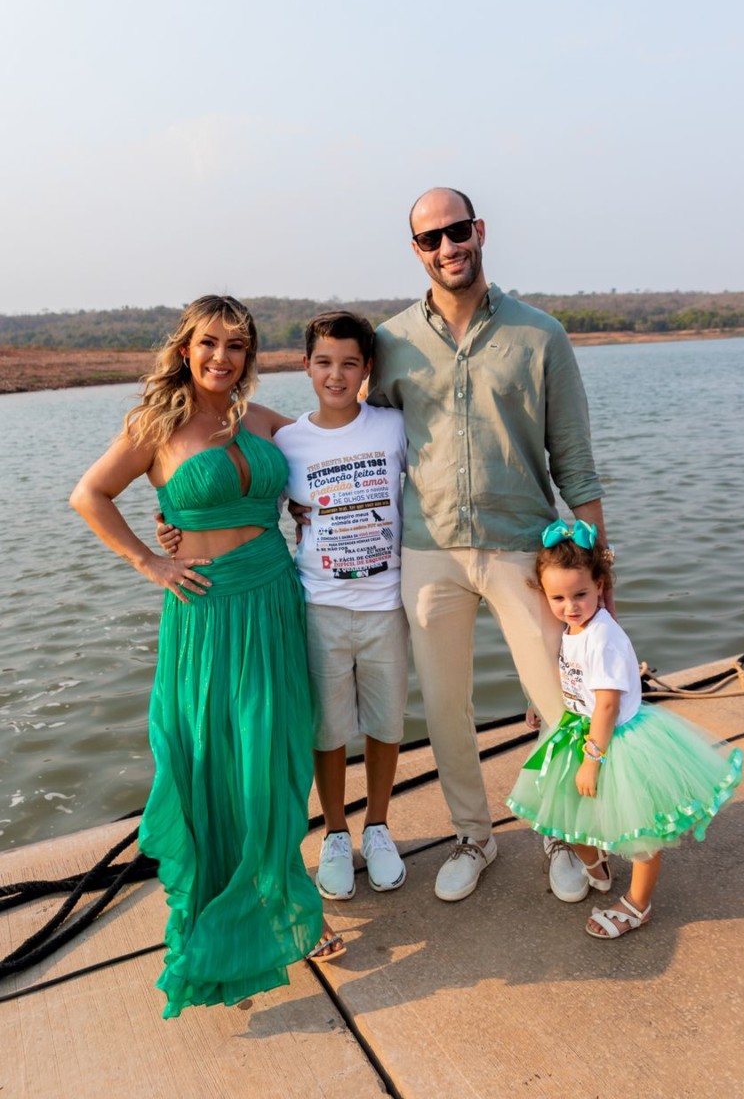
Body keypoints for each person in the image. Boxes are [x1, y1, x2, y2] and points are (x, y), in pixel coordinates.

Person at [70, 295, 341, 1021]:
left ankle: (283, 898)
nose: (222, 357)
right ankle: (233, 912)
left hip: (273, 597)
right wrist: (148, 561)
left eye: (237, 346)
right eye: (210, 343)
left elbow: (333, 448)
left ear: (250, 356)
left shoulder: (262, 421)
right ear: (186, 348)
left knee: (275, 754)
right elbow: (89, 495)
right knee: (218, 761)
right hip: (206, 610)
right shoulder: (154, 426)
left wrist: (308, 503)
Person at [368, 186, 612, 902]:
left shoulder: (542, 335)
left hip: (522, 548)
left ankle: (561, 832)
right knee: (446, 708)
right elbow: (357, 445)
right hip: (428, 550)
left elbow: (575, 463)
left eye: (456, 231)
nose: (447, 247)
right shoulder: (389, 344)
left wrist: (600, 576)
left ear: (479, 230)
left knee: (560, 704)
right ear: (417, 250)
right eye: (430, 238)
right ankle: (474, 836)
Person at [506, 520, 744, 938]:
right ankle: (596, 862)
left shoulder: (603, 637)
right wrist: (538, 703)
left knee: (640, 831)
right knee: (560, 813)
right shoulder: (572, 628)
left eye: (580, 595)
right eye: (557, 598)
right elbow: (570, 676)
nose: (570, 606)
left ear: (600, 586)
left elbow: (608, 705)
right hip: (579, 729)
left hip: (615, 740)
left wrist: (593, 759)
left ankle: (638, 903)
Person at [273, 311, 408, 901]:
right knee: (326, 729)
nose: (336, 375)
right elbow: (247, 503)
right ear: (305, 366)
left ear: (367, 369)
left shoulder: (393, 427)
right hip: (320, 606)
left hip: (386, 605)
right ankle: (334, 832)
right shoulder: (287, 442)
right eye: (324, 362)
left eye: (350, 363)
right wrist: (172, 525)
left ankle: (377, 826)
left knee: (386, 724)